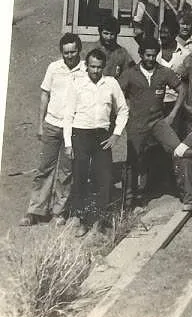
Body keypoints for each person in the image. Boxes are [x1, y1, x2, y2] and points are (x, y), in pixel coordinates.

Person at [19, 33, 84, 227]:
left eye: (73, 52)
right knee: (44, 169)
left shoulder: (85, 70)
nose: (69, 56)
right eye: (66, 52)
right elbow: (44, 95)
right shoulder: (53, 68)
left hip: (73, 129)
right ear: (61, 52)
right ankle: (35, 210)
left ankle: (59, 212)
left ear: (79, 50)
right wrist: (40, 124)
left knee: (66, 172)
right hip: (52, 124)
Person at [63, 49, 129, 237]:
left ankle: (100, 220)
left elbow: (123, 110)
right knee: (80, 177)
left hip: (102, 136)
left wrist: (116, 134)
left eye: (99, 67)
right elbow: (68, 114)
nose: (95, 70)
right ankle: (83, 220)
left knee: (104, 177)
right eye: (92, 66)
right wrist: (68, 143)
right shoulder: (77, 83)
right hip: (80, 134)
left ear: (104, 66)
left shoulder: (111, 83)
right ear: (86, 66)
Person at [119, 37, 184, 206]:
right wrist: (124, 114)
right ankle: (129, 200)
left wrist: (172, 114)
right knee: (133, 160)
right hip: (137, 122)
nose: (150, 59)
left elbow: (182, 89)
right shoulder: (130, 73)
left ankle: (183, 191)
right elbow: (117, 94)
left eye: (154, 55)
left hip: (158, 121)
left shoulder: (164, 72)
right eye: (147, 55)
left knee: (179, 149)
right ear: (141, 54)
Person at [96, 15, 135, 79]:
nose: (109, 37)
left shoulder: (122, 52)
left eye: (112, 34)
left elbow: (131, 73)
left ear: (116, 34)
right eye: (106, 33)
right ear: (100, 32)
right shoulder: (90, 49)